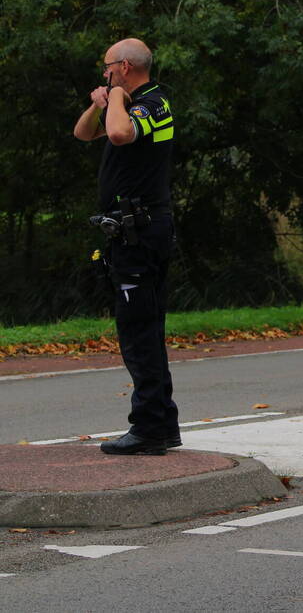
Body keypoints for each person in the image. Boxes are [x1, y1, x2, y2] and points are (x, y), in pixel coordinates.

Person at [74, 38, 179, 455]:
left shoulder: (151, 103)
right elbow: (84, 133)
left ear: (124, 66)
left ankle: (149, 428)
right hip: (135, 232)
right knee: (147, 330)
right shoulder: (132, 104)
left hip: (141, 233)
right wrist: (100, 103)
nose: (104, 74)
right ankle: (163, 424)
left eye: (108, 69)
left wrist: (116, 95)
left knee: (138, 333)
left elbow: (118, 135)